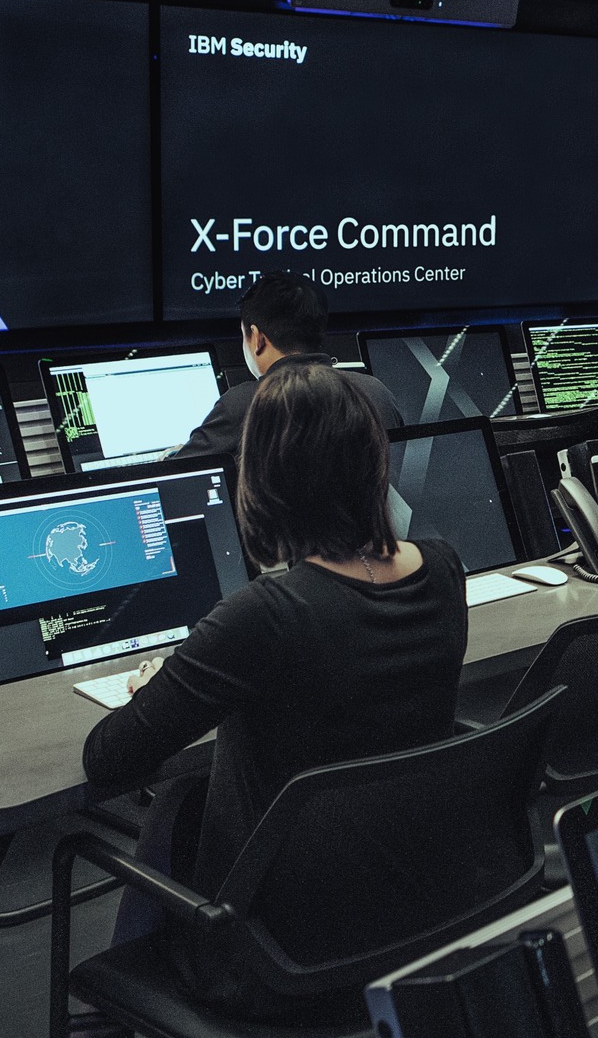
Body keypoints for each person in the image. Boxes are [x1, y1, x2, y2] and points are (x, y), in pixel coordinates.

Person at [82, 361, 467, 1018]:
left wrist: (176, 676)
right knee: (189, 793)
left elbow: (109, 758)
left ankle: (110, 1022)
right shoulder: (443, 568)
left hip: (275, 958)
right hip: (413, 920)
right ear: (373, 461)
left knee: (177, 799)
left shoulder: (264, 615)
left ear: (262, 477)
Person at [173, 270, 402, 463]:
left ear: (257, 338)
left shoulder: (246, 404)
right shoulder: (375, 393)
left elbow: (180, 478)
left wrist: (170, 458)